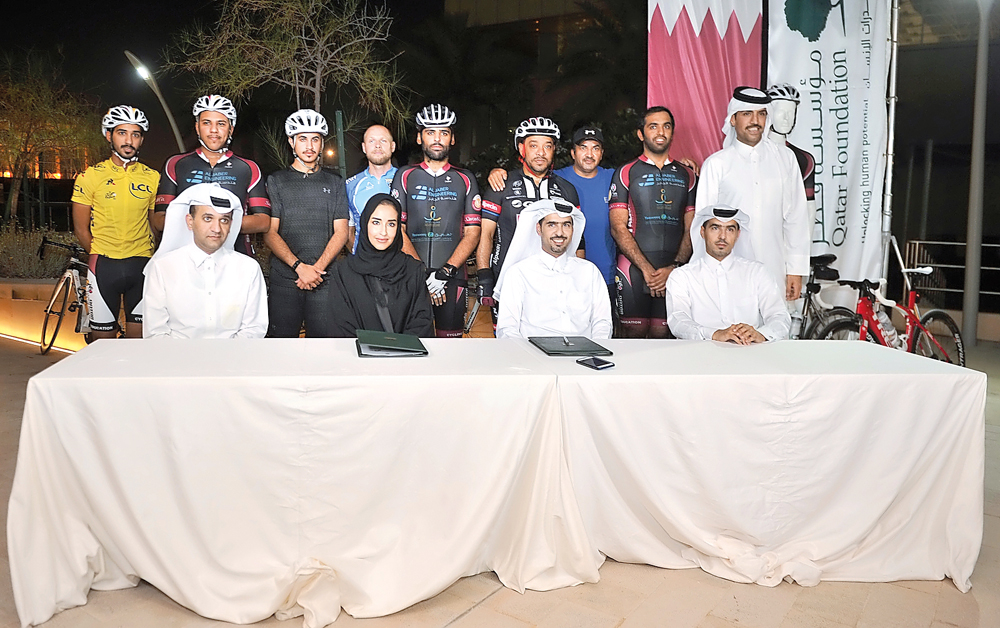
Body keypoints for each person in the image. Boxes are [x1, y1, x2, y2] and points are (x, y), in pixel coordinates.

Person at [696, 86, 810, 302]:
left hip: (774, 267)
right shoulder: (716, 164)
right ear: (733, 119)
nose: (755, 121)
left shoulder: (785, 159)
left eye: (761, 114)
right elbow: (703, 224)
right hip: (727, 270)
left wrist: (795, 270)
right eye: (747, 114)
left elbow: (796, 218)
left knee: (773, 330)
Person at [389, 104, 481, 338]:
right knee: (407, 347)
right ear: (419, 138)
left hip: (452, 277)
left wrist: (444, 273)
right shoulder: (404, 175)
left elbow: (473, 233)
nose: (437, 139)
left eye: (444, 133)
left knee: (450, 353)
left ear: (452, 138)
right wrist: (422, 274)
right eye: (431, 132)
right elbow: (397, 229)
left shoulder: (465, 178)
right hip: (411, 277)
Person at [477, 117, 580, 321]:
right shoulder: (501, 185)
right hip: (507, 281)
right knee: (509, 347)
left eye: (547, 146)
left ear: (553, 151)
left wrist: (577, 279)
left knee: (549, 344)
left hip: (554, 283)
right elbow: (486, 236)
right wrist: (484, 276)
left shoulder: (567, 189)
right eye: (534, 145)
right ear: (522, 149)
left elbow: (577, 240)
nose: (541, 152)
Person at [71, 105, 160, 340]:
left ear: (141, 140)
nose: (129, 140)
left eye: (136, 134)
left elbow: (156, 224)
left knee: (139, 345)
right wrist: (100, 253)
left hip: (141, 265)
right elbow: (80, 228)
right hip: (104, 266)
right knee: (102, 346)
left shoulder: (153, 177)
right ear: (109, 135)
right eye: (122, 133)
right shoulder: (89, 176)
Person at [609, 106, 697, 339]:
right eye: (653, 126)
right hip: (633, 270)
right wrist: (647, 270)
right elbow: (618, 227)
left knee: (663, 334)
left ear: (672, 133)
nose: (661, 131)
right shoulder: (626, 172)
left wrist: (674, 268)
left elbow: (692, 227)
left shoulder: (687, 174)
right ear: (641, 134)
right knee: (633, 333)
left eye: (666, 126)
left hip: (673, 271)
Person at [263, 109, 349, 337]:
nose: (309, 145)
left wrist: (316, 270)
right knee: (282, 348)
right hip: (285, 280)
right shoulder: (276, 181)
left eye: (315, 139)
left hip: (324, 280)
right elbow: (270, 233)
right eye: (302, 138)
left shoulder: (335, 182)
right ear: (291, 142)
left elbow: (341, 232)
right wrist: (299, 268)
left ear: (322, 144)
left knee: (323, 350)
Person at [153, 95, 270, 256]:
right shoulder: (176, 164)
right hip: (185, 260)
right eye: (206, 123)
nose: (213, 130)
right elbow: (159, 219)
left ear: (231, 128)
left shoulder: (248, 168)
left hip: (235, 259)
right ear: (197, 127)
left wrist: (218, 223)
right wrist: (203, 224)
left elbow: (263, 221)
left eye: (221, 124)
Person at [143, 192, 268, 339]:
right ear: (190, 221)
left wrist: (224, 359)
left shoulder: (249, 269)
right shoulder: (162, 267)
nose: (216, 228)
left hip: (233, 358)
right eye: (208, 218)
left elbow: (254, 329)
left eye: (224, 220)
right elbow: (156, 332)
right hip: (177, 358)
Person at [666, 205, 790, 343]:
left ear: (738, 234)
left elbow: (780, 316)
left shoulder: (757, 272)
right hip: (700, 355)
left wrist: (760, 334)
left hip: (749, 353)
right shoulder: (681, 276)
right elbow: (678, 321)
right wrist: (714, 334)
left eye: (730, 229)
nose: (722, 236)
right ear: (702, 231)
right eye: (715, 228)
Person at [495, 199, 611, 340]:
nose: (560, 232)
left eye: (566, 225)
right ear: (539, 229)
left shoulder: (589, 272)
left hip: (584, 356)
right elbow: (507, 329)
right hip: (534, 357)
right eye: (552, 225)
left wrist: (595, 351)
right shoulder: (519, 273)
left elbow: (602, 322)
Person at [328, 194, 434, 337]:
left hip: (406, 356)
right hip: (358, 356)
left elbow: (421, 322)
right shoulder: (343, 272)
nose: (383, 232)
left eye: (391, 224)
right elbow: (341, 326)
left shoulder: (413, 270)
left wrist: (399, 353)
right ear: (365, 223)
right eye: (376, 222)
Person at [767, 83, 817, 234]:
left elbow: (809, 207)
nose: (786, 118)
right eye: (780, 111)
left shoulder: (804, 159)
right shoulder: (752, 153)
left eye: (791, 112)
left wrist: (803, 251)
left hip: (788, 236)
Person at [346, 124, 397, 253]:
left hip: (400, 265)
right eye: (371, 141)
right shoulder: (351, 185)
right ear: (364, 147)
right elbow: (347, 232)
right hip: (363, 266)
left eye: (383, 140)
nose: (377, 145)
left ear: (393, 146)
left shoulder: (406, 179)